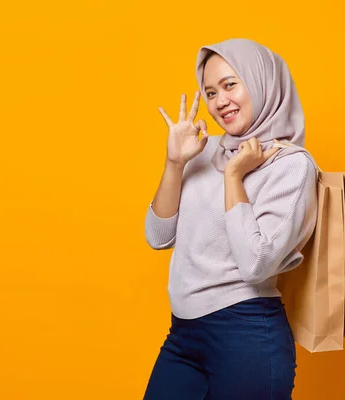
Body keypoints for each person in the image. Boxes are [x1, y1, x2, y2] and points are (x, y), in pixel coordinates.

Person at [143, 38, 318, 400]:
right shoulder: (203, 149)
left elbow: (256, 264)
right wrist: (175, 163)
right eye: (209, 92)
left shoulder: (290, 165)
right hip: (182, 335)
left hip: (246, 336)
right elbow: (157, 236)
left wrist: (234, 177)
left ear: (259, 81)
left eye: (229, 85)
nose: (219, 101)